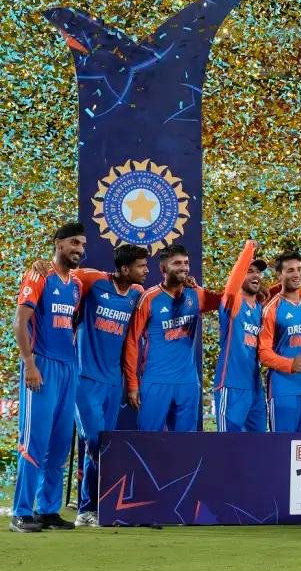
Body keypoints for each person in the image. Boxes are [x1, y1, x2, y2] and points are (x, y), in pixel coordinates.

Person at [11, 222, 86, 532]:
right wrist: (29, 363)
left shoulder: (77, 284)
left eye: (82, 245)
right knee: (34, 441)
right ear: (58, 243)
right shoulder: (39, 275)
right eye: (74, 243)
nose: (79, 249)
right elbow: (20, 322)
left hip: (68, 368)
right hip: (41, 365)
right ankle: (21, 512)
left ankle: (48, 510)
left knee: (58, 444)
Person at [72, 245, 148, 526]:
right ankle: (102, 503)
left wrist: (131, 383)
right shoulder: (93, 280)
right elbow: (61, 276)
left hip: (114, 383)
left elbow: (132, 343)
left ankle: (89, 509)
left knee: (104, 443)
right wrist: (42, 267)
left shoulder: (137, 294)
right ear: (125, 269)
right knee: (95, 442)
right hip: (85, 379)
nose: (146, 271)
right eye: (141, 266)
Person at [123, 244, 219, 432]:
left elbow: (226, 301)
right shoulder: (149, 298)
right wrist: (132, 384)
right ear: (163, 268)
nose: (184, 267)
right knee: (149, 442)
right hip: (156, 380)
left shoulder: (195, 294)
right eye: (177, 263)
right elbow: (132, 342)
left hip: (188, 383)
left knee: (185, 444)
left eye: (186, 263)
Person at [258, 251, 301, 432]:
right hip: (284, 390)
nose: (297, 274)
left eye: (299, 269)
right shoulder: (271, 308)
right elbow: (263, 353)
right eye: (290, 270)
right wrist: (290, 364)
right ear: (280, 275)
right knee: (282, 446)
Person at [213, 240, 270, 433]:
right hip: (231, 384)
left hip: (255, 389)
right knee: (227, 444)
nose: (256, 275)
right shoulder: (233, 303)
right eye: (250, 271)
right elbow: (232, 285)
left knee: (259, 444)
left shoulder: (261, 310)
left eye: (258, 272)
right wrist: (249, 249)